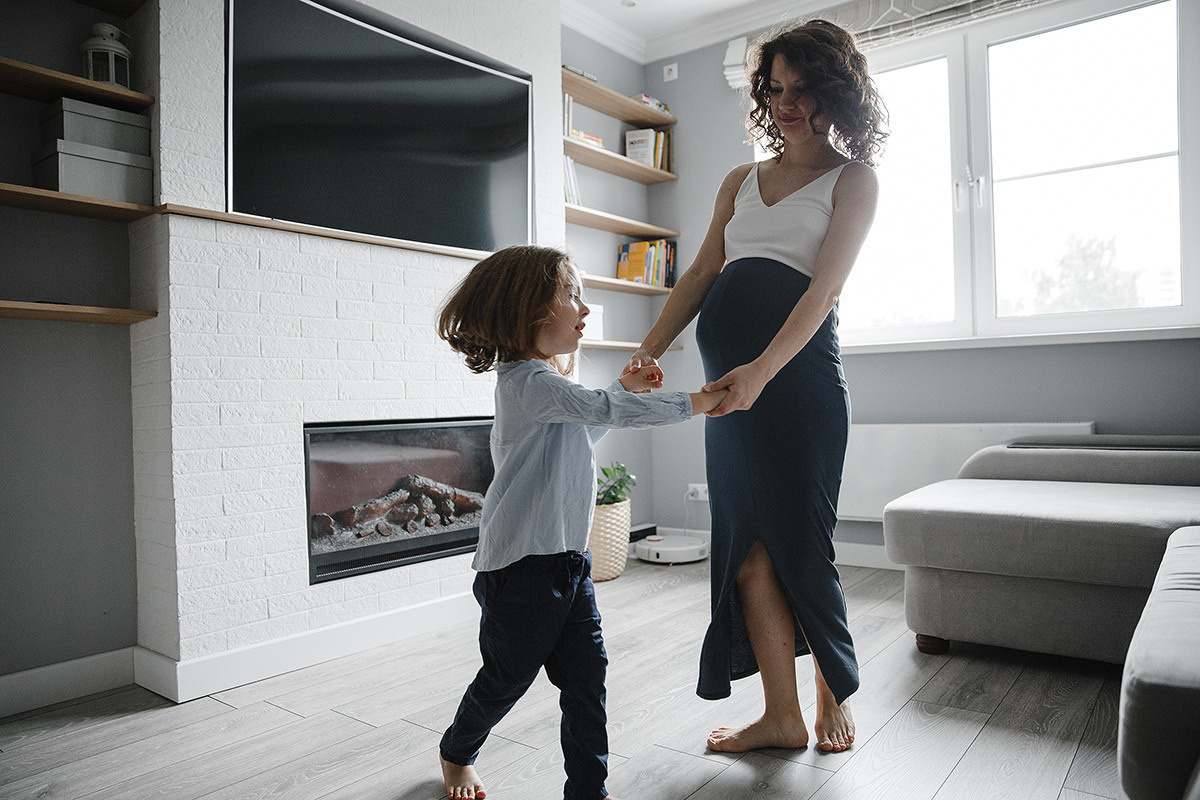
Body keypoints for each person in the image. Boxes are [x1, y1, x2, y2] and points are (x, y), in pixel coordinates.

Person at [624, 19, 887, 754]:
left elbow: (823, 291)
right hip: (727, 396)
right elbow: (703, 271)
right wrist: (651, 347)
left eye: (803, 89)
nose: (787, 105)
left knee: (803, 549)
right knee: (745, 554)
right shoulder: (740, 180)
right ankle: (780, 715)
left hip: (796, 389)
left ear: (835, 91)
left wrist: (761, 374)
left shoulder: (853, 180)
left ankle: (829, 694)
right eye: (774, 89)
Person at [435, 244, 728, 800]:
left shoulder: (547, 388)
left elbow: (586, 429)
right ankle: (457, 752)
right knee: (506, 679)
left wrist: (621, 392)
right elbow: (598, 411)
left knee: (587, 681)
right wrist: (697, 402)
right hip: (521, 570)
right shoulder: (530, 383)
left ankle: (588, 792)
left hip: (568, 563)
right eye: (572, 296)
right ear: (528, 310)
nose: (584, 310)